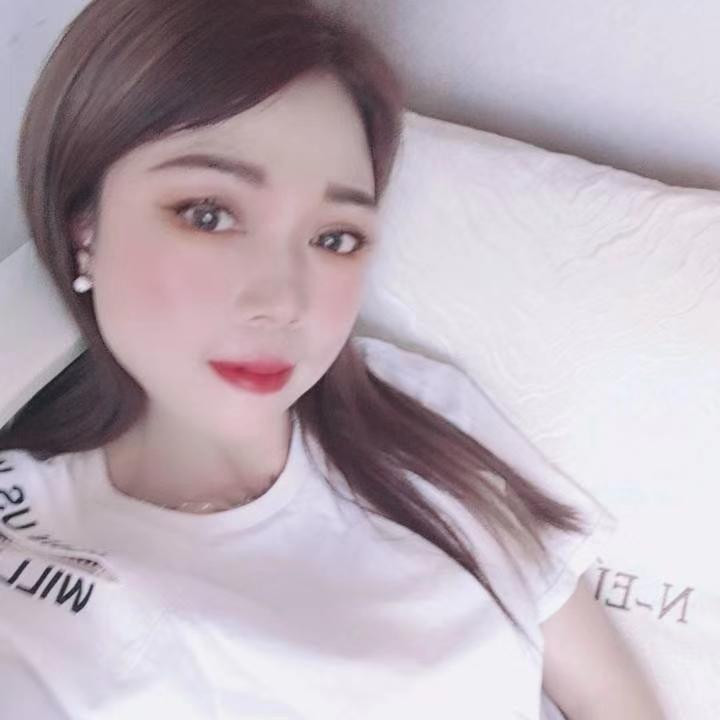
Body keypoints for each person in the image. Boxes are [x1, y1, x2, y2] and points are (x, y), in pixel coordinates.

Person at [0, 1, 666, 717]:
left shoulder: (420, 416)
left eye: (335, 238)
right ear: (84, 228)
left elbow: (615, 702)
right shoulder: (35, 565)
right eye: (208, 215)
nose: (284, 301)